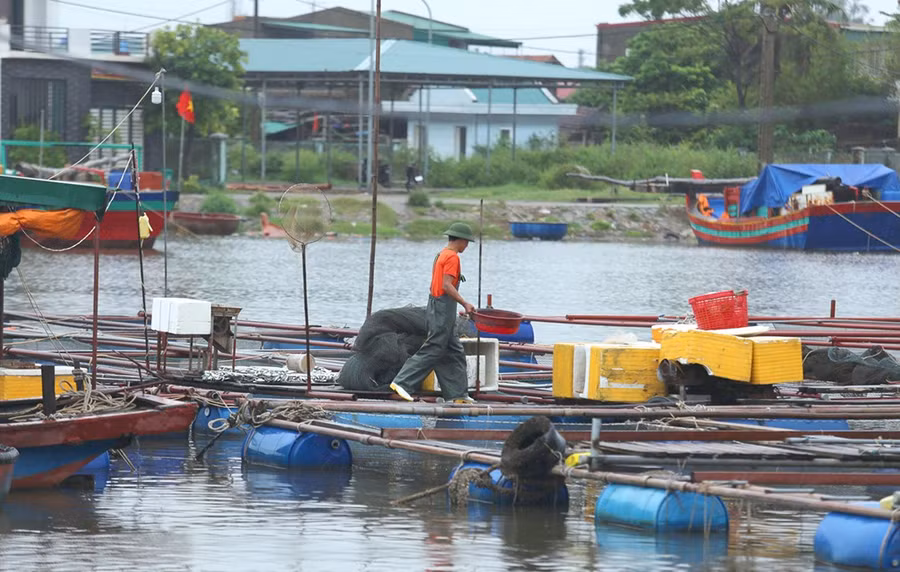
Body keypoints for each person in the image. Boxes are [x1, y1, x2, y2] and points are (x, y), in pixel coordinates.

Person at [390, 222, 477, 404]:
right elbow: (446, 285)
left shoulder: (441, 254)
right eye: (467, 242)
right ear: (461, 240)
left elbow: (434, 285)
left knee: (454, 351)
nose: (467, 246)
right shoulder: (452, 257)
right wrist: (465, 303)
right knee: (434, 347)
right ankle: (402, 383)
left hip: (437, 306)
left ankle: (457, 394)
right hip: (442, 310)